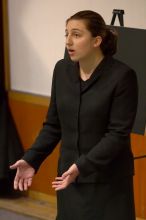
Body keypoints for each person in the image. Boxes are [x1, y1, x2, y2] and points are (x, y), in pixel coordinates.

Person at [10, 10, 138, 220]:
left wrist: (81, 166)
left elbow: (117, 135)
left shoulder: (122, 77)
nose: (68, 41)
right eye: (66, 34)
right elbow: (53, 125)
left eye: (77, 35)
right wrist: (31, 159)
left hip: (107, 182)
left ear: (97, 40)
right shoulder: (62, 70)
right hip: (69, 179)